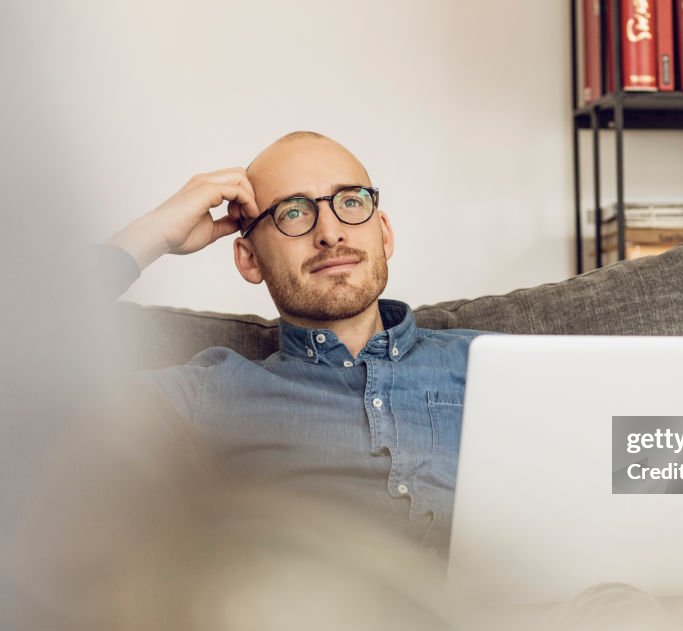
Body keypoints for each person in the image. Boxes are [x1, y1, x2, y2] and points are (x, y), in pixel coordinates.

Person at [102, 131, 483, 555]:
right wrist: (151, 234)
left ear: (385, 234)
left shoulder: (494, 362)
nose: (331, 233)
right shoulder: (208, 396)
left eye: (351, 202)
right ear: (249, 258)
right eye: (294, 212)